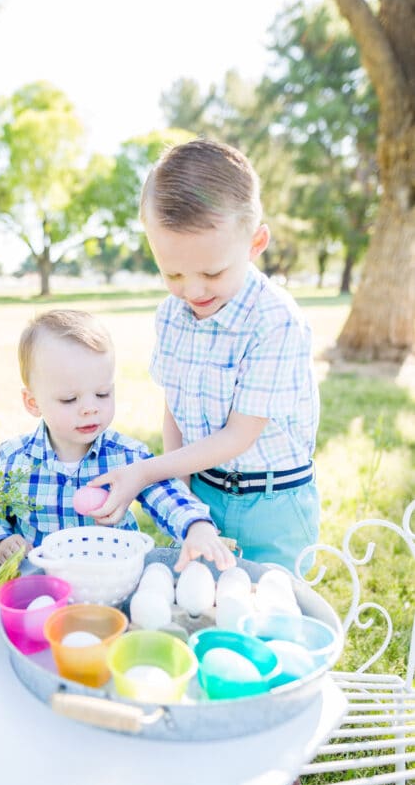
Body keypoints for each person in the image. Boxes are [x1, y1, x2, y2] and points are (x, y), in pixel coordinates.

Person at [88, 139, 320, 573]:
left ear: (255, 243)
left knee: (268, 610)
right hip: (204, 491)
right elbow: (174, 411)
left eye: (213, 272)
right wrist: (185, 499)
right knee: (198, 605)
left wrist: (145, 472)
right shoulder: (173, 315)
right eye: (173, 273)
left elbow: (238, 436)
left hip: (273, 506)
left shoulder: (275, 321)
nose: (193, 291)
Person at [0, 308, 233, 570]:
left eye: (102, 394)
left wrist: (197, 526)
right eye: (70, 399)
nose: (90, 408)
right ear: (33, 403)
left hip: (113, 581)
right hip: (45, 586)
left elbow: (167, 494)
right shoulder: (14, 458)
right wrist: (0, 541)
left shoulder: (126, 455)